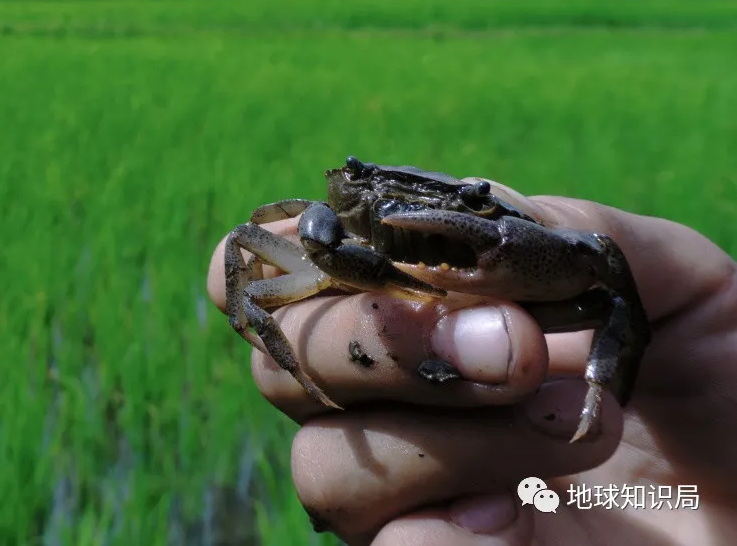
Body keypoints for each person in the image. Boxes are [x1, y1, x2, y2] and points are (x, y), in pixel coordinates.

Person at [207, 178, 737, 545]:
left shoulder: (697, 334)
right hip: (348, 269)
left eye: (462, 205)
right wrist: (290, 360)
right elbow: (247, 259)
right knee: (249, 269)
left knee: (610, 298)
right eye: (366, 187)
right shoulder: (322, 226)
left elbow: (608, 275)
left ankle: (600, 385)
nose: (405, 215)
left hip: (523, 301)